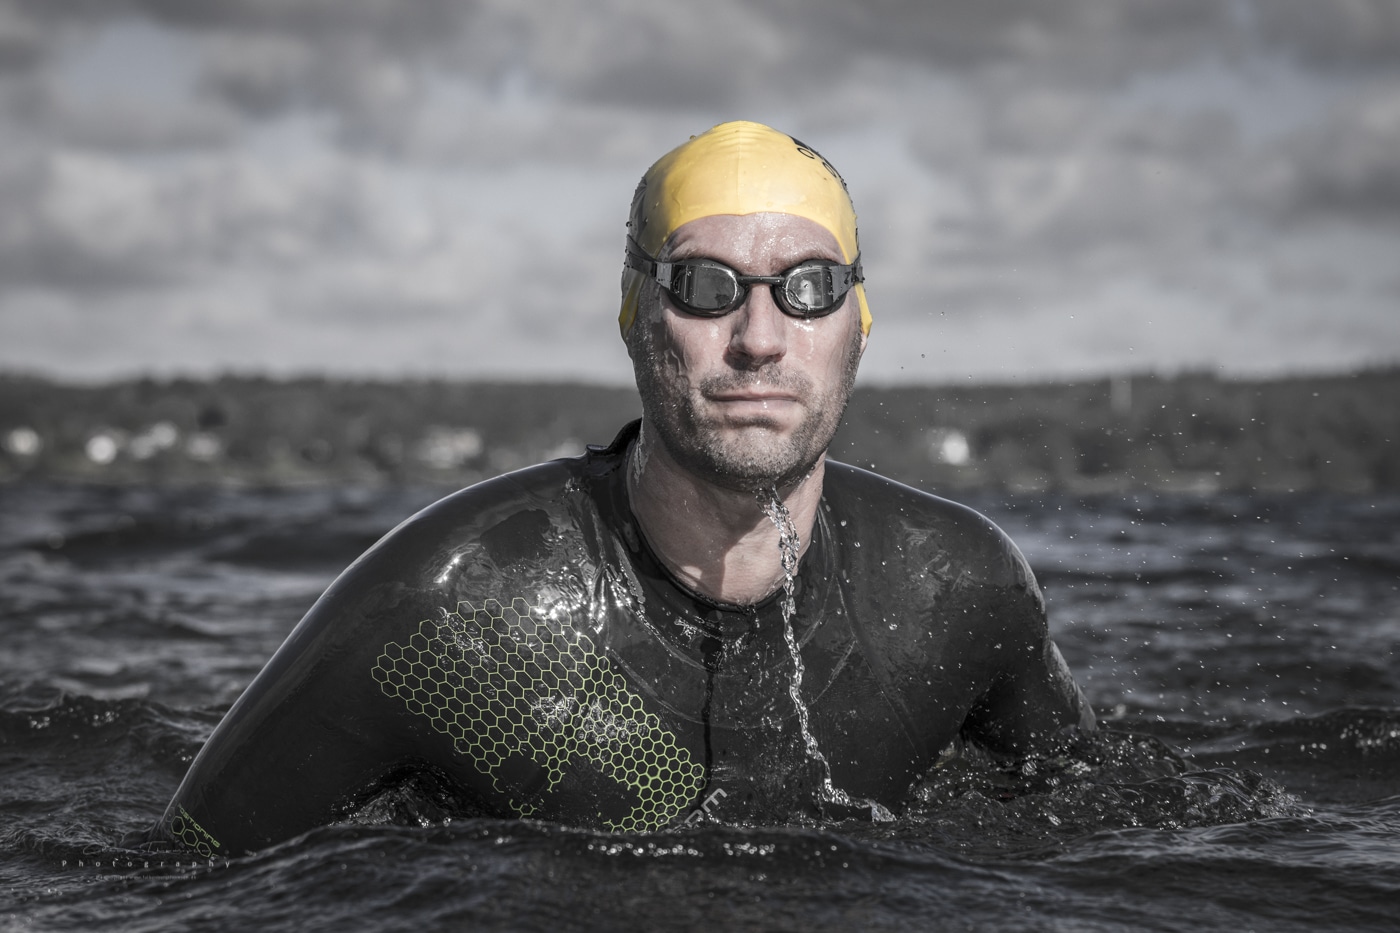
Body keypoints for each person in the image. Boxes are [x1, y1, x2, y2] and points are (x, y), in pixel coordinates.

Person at [152, 121, 1093, 858]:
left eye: (807, 287)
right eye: (705, 285)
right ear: (636, 314)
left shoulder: (957, 590)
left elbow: (1102, 828)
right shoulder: (444, 614)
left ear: (858, 322)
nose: (760, 337)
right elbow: (177, 882)